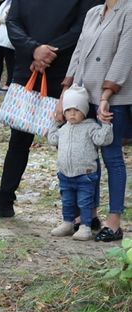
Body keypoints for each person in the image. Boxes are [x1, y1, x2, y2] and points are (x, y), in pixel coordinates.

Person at [0, 0, 95, 220]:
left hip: (66, 76)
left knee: (73, 140)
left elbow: (82, 28)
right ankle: (4, 199)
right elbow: (14, 24)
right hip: (28, 72)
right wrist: (34, 50)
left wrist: (51, 51)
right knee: (18, 139)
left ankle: (82, 212)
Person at [57, 0, 132, 242]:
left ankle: (114, 221)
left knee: (112, 157)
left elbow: (125, 56)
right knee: (85, 156)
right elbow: (79, 52)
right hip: (84, 94)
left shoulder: (129, 12)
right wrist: (66, 90)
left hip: (114, 96)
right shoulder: (92, 13)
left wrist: (106, 95)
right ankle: (86, 216)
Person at [49, 85, 113, 241]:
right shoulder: (63, 129)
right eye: (68, 110)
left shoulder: (90, 127)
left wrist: (106, 124)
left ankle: (85, 226)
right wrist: (54, 123)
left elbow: (103, 140)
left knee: (85, 202)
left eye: (76, 110)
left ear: (84, 111)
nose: (72, 113)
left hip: (85, 175)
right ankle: (67, 222)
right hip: (65, 174)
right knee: (67, 200)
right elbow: (52, 139)